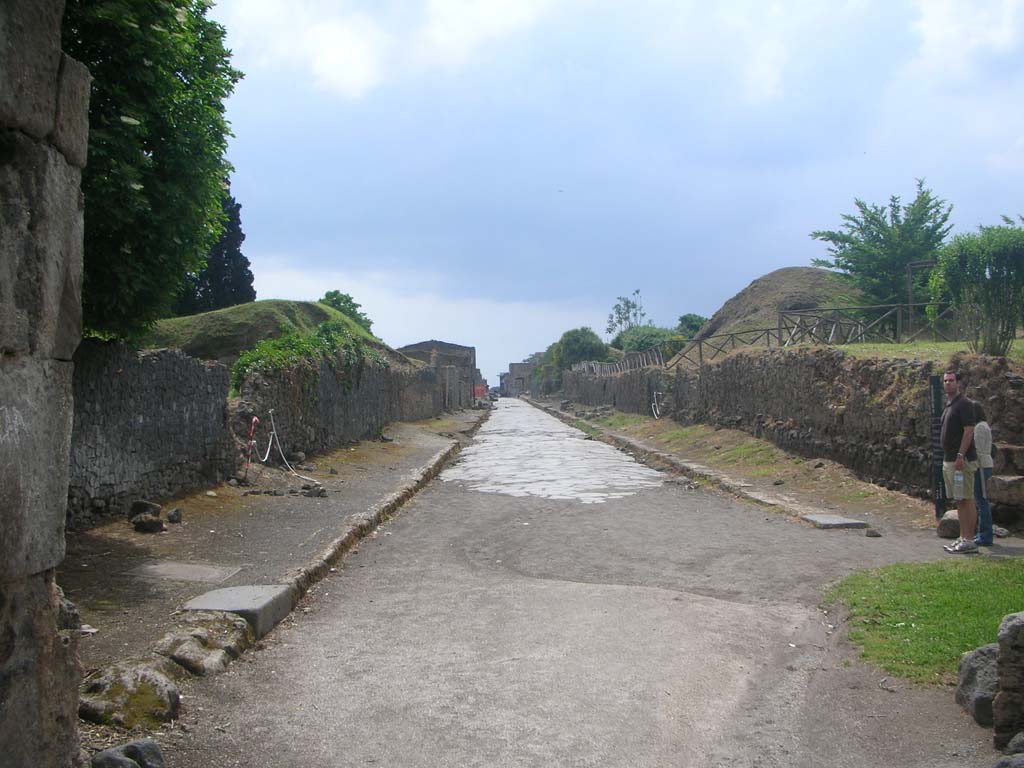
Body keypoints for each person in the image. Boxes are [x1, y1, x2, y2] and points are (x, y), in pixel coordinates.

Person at [940, 370, 979, 553]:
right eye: (945, 381)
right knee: (959, 499)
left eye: (951, 380)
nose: (948, 383)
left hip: (960, 461)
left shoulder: (964, 404)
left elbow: (969, 430)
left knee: (966, 499)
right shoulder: (950, 404)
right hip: (949, 459)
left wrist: (960, 455)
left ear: (958, 383)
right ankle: (963, 537)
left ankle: (969, 540)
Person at [973, 401, 995, 547]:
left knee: (982, 501)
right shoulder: (982, 426)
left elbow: (978, 448)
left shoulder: (980, 427)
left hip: (981, 465)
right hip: (983, 464)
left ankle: (985, 535)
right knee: (980, 500)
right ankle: (982, 532)